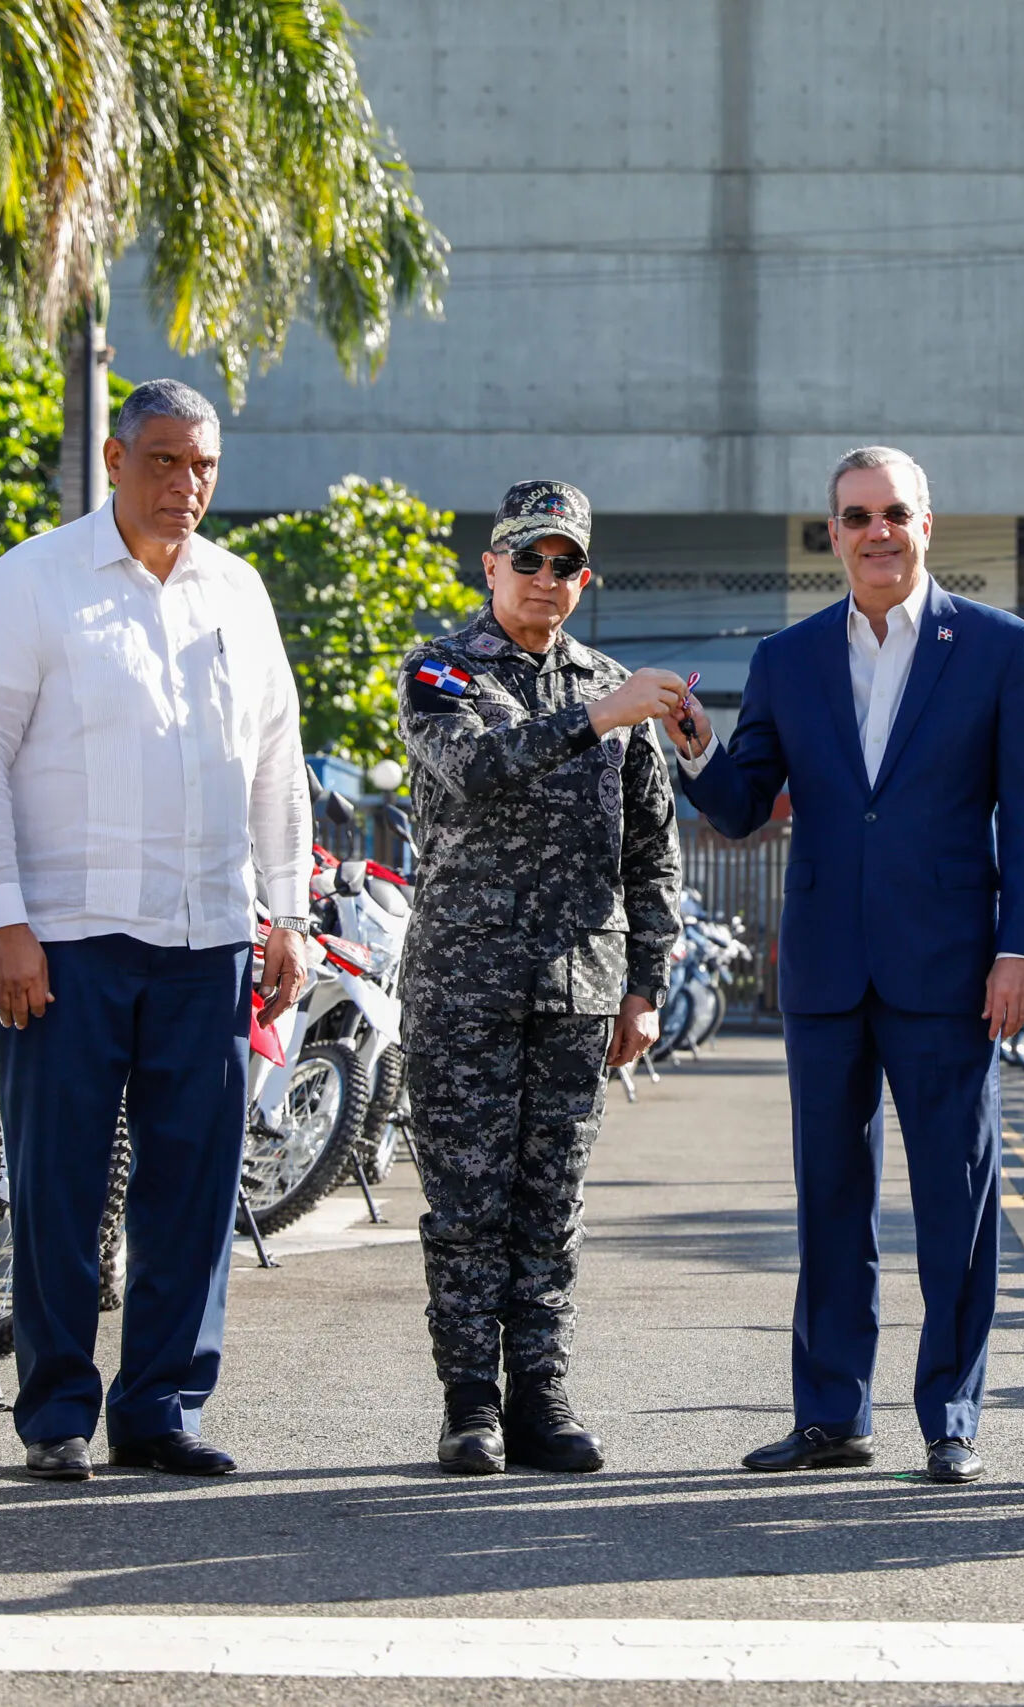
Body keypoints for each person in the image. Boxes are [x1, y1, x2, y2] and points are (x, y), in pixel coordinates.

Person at [0, 378, 312, 1483]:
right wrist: (3, 920)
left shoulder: (238, 591)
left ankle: (159, 1407)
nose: (185, 484)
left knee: (193, 1186)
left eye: (203, 466)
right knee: (58, 1186)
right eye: (163, 460)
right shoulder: (35, 579)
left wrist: (288, 913)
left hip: (209, 938)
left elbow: (276, 762)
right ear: (114, 460)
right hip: (65, 941)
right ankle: (57, 1412)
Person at [673, 446, 1024, 1484]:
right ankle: (832, 1417)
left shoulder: (998, 646)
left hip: (952, 968)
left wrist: (1017, 949)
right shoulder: (788, 657)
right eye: (855, 516)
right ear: (834, 533)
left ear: (926, 523)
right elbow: (742, 807)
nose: (876, 531)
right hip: (827, 969)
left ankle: (952, 1416)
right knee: (831, 1203)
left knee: (955, 1204)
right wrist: (698, 747)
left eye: (893, 512)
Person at [396, 478, 688, 1476]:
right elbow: (474, 768)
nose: (546, 578)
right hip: (463, 988)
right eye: (528, 558)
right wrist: (599, 716)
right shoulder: (440, 669)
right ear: (491, 566)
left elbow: (652, 853)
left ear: (583, 579)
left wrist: (645, 987)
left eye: (566, 564)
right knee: (465, 1207)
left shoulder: (614, 689)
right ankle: (470, 1405)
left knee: (551, 1206)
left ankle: (541, 1397)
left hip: (579, 992)